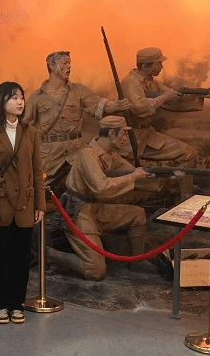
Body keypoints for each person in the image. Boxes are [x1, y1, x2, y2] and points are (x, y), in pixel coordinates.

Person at [46, 116, 157, 281]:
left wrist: (162, 175)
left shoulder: (111, 154)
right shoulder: (87, 154)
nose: (125, 138)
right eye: (123, 134)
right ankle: (49, 255)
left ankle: (137, 262)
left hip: (96, 208)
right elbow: (102, 188)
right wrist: (134, 176)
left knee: (137, 214)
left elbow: (133, 173)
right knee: (95, 271)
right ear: (111, 133)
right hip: (78, 211)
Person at [0, 82, 45, 324]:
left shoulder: (31, 132)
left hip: (25, 205)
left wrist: (40, 205)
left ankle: (17, 304)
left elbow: (38, 171)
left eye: (21, 97)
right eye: (13, 98)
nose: (19, 102)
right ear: (1, 101)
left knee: (21, 260)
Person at [24, 51, 130, 195]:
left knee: (94, 184)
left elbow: (99, 105)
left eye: (69, 63)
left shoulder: (78, 91)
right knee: (34, 189)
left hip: (76, 151)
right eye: (64, 63)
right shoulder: (37, 97)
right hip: (49, 156)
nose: (69, 66)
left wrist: (116, 106)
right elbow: (23, 125)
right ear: (52, 66)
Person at [121, 47, 210, 198]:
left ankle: (185, 197)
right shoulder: (130, 82)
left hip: (147, 135)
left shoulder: (152, 83)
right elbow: (140, 108)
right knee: (122, 179)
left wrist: (203, 95)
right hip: (126, 138)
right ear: (145, 66)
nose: (161, 66)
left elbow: (174, 100)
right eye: (158, 63)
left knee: (187, 153)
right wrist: (164, 97)